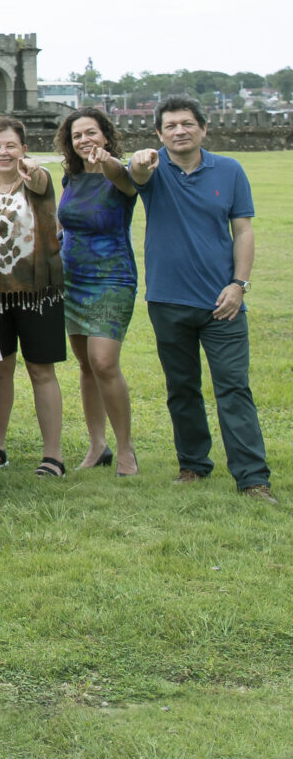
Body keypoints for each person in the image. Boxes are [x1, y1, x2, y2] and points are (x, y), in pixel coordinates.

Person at [129, 97, 272, 503]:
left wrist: (239, 283)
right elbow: (135, 173)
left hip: (223, 302)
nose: (180, 131)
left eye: (187, 123)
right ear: (159, 134)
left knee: (233, 388)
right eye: (170, 125)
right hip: (167, 300)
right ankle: (193, 464)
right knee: (181, 387)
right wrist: (140, 162)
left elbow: (242, 231)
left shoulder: (229, 170)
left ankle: (252, 478)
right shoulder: (152, 168)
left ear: (203, 129)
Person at [0, 116, 66, 479]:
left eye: (11, 145)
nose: (4, 152)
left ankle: (53, 455)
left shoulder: (37, 185)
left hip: (36, 295)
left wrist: (33, 170)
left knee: (41, 370)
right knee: (0, 370)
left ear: (24, 149)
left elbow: (41, 180)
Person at [56, 108, 141, 476]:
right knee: (87, 366)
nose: (84, 140)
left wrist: (106, 162)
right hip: (72, 278)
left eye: (91, 133)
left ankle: (126, 450)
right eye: (77, 136)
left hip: (111, 278)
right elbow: (65, 221)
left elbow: (123, 179)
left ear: (105, 136)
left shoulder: (119, 173)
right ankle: (97, 445)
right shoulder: (70, 177)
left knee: (105, 362)